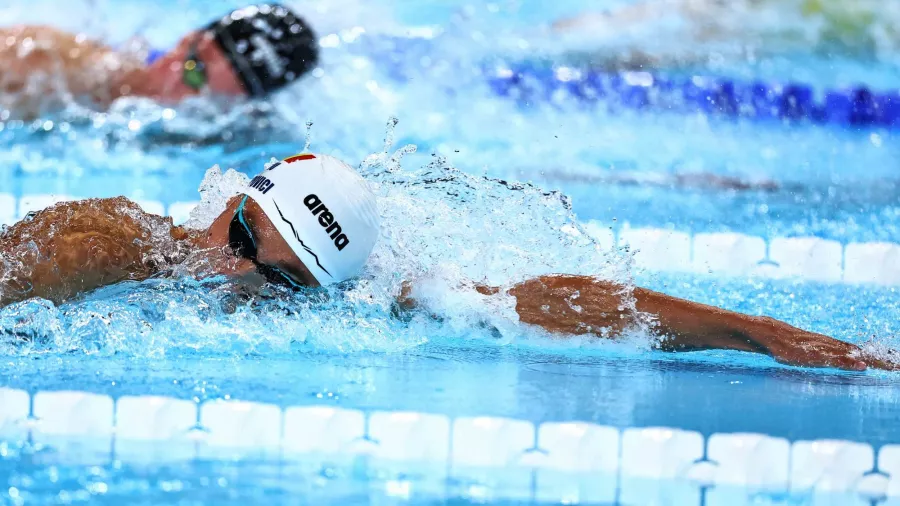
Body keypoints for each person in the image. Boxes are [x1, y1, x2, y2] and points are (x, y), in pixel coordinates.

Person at [0, 152, 895, 372]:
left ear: (313, 289)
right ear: (234, 204)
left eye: (274, 277)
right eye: (240, 238)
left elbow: (548, 301)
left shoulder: (370, 294)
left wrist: (756, 330)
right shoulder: (109, 241)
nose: (235, 273)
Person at [0, 3, 318, 118]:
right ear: (187, 39)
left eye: (204, 92)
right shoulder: (52, 63)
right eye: (194, 68)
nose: (178, 88)